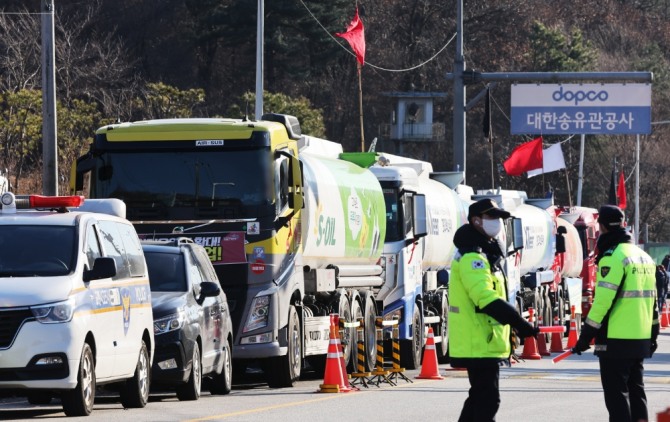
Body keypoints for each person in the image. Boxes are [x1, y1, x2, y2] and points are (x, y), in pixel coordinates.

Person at [449, 198, 538, 422]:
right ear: (476, 221)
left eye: (498, 218)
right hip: (477, 342)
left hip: (484, 340)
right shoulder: (473, 257)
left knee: (481, 399)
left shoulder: (486, 254)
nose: (497, 222)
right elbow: (485, 298)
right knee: (487, 400)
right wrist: (518, 322)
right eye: (491, 217)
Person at [573, 205, 659, 422]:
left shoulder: (612, 257)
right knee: (637, 391)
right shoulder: (644, 257)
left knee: (617, 396)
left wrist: (585, 337)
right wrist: (653, 334)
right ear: (622, 224)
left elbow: (602, 303)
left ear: (601, 226)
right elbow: (653, 302)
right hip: (639, 337)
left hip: (615, 339)